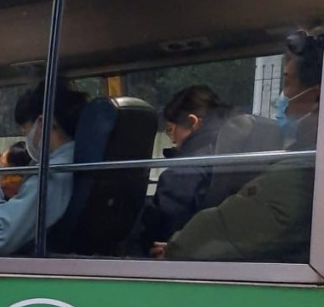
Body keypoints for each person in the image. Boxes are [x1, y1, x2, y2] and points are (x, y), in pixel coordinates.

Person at [164, 32, 322, 261]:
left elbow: (226, 230)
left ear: (316, 98)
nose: (281, 98)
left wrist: (174, 248)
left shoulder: (301, 170)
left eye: (287, 83)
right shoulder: (304, 159)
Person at [0, 83, 88, 255]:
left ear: (43, 123)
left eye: (26, 131)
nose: (26, 137)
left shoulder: (52, 173)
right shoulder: (76, 158)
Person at [130, 85, 231, 256]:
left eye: (171, 130)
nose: (172, 141)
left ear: (193, 122)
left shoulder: (182, 173)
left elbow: (155, 234)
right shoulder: (230, 151)